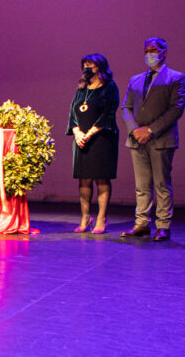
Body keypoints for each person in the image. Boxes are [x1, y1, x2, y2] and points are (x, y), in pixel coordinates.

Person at [120, 37, 185, 242]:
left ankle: (163, 225)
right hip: (136, 140)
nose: (149, 53)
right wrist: (135, 131)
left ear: (164, 52)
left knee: (161, 184)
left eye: (153, 50)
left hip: (160, 139)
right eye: (146, 50)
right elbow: (126, 107)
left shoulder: (176, 77)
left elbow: (176, 109)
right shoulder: (135, 79)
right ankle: (141, 223)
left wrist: (150, 130)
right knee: (141, 185)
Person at [65, 54, 120, 234]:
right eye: (84, 65)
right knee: (84, 178)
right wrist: (77, 132)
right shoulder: (81, 89)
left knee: (101, 178)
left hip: (101, 138)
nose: (87, 68)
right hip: (81, 139)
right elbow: (73, 112)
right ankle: (84, 217)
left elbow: (108, 113)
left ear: (101, 67)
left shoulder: (109, 88)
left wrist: (89, 134)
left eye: (91, 65)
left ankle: (101, 218)